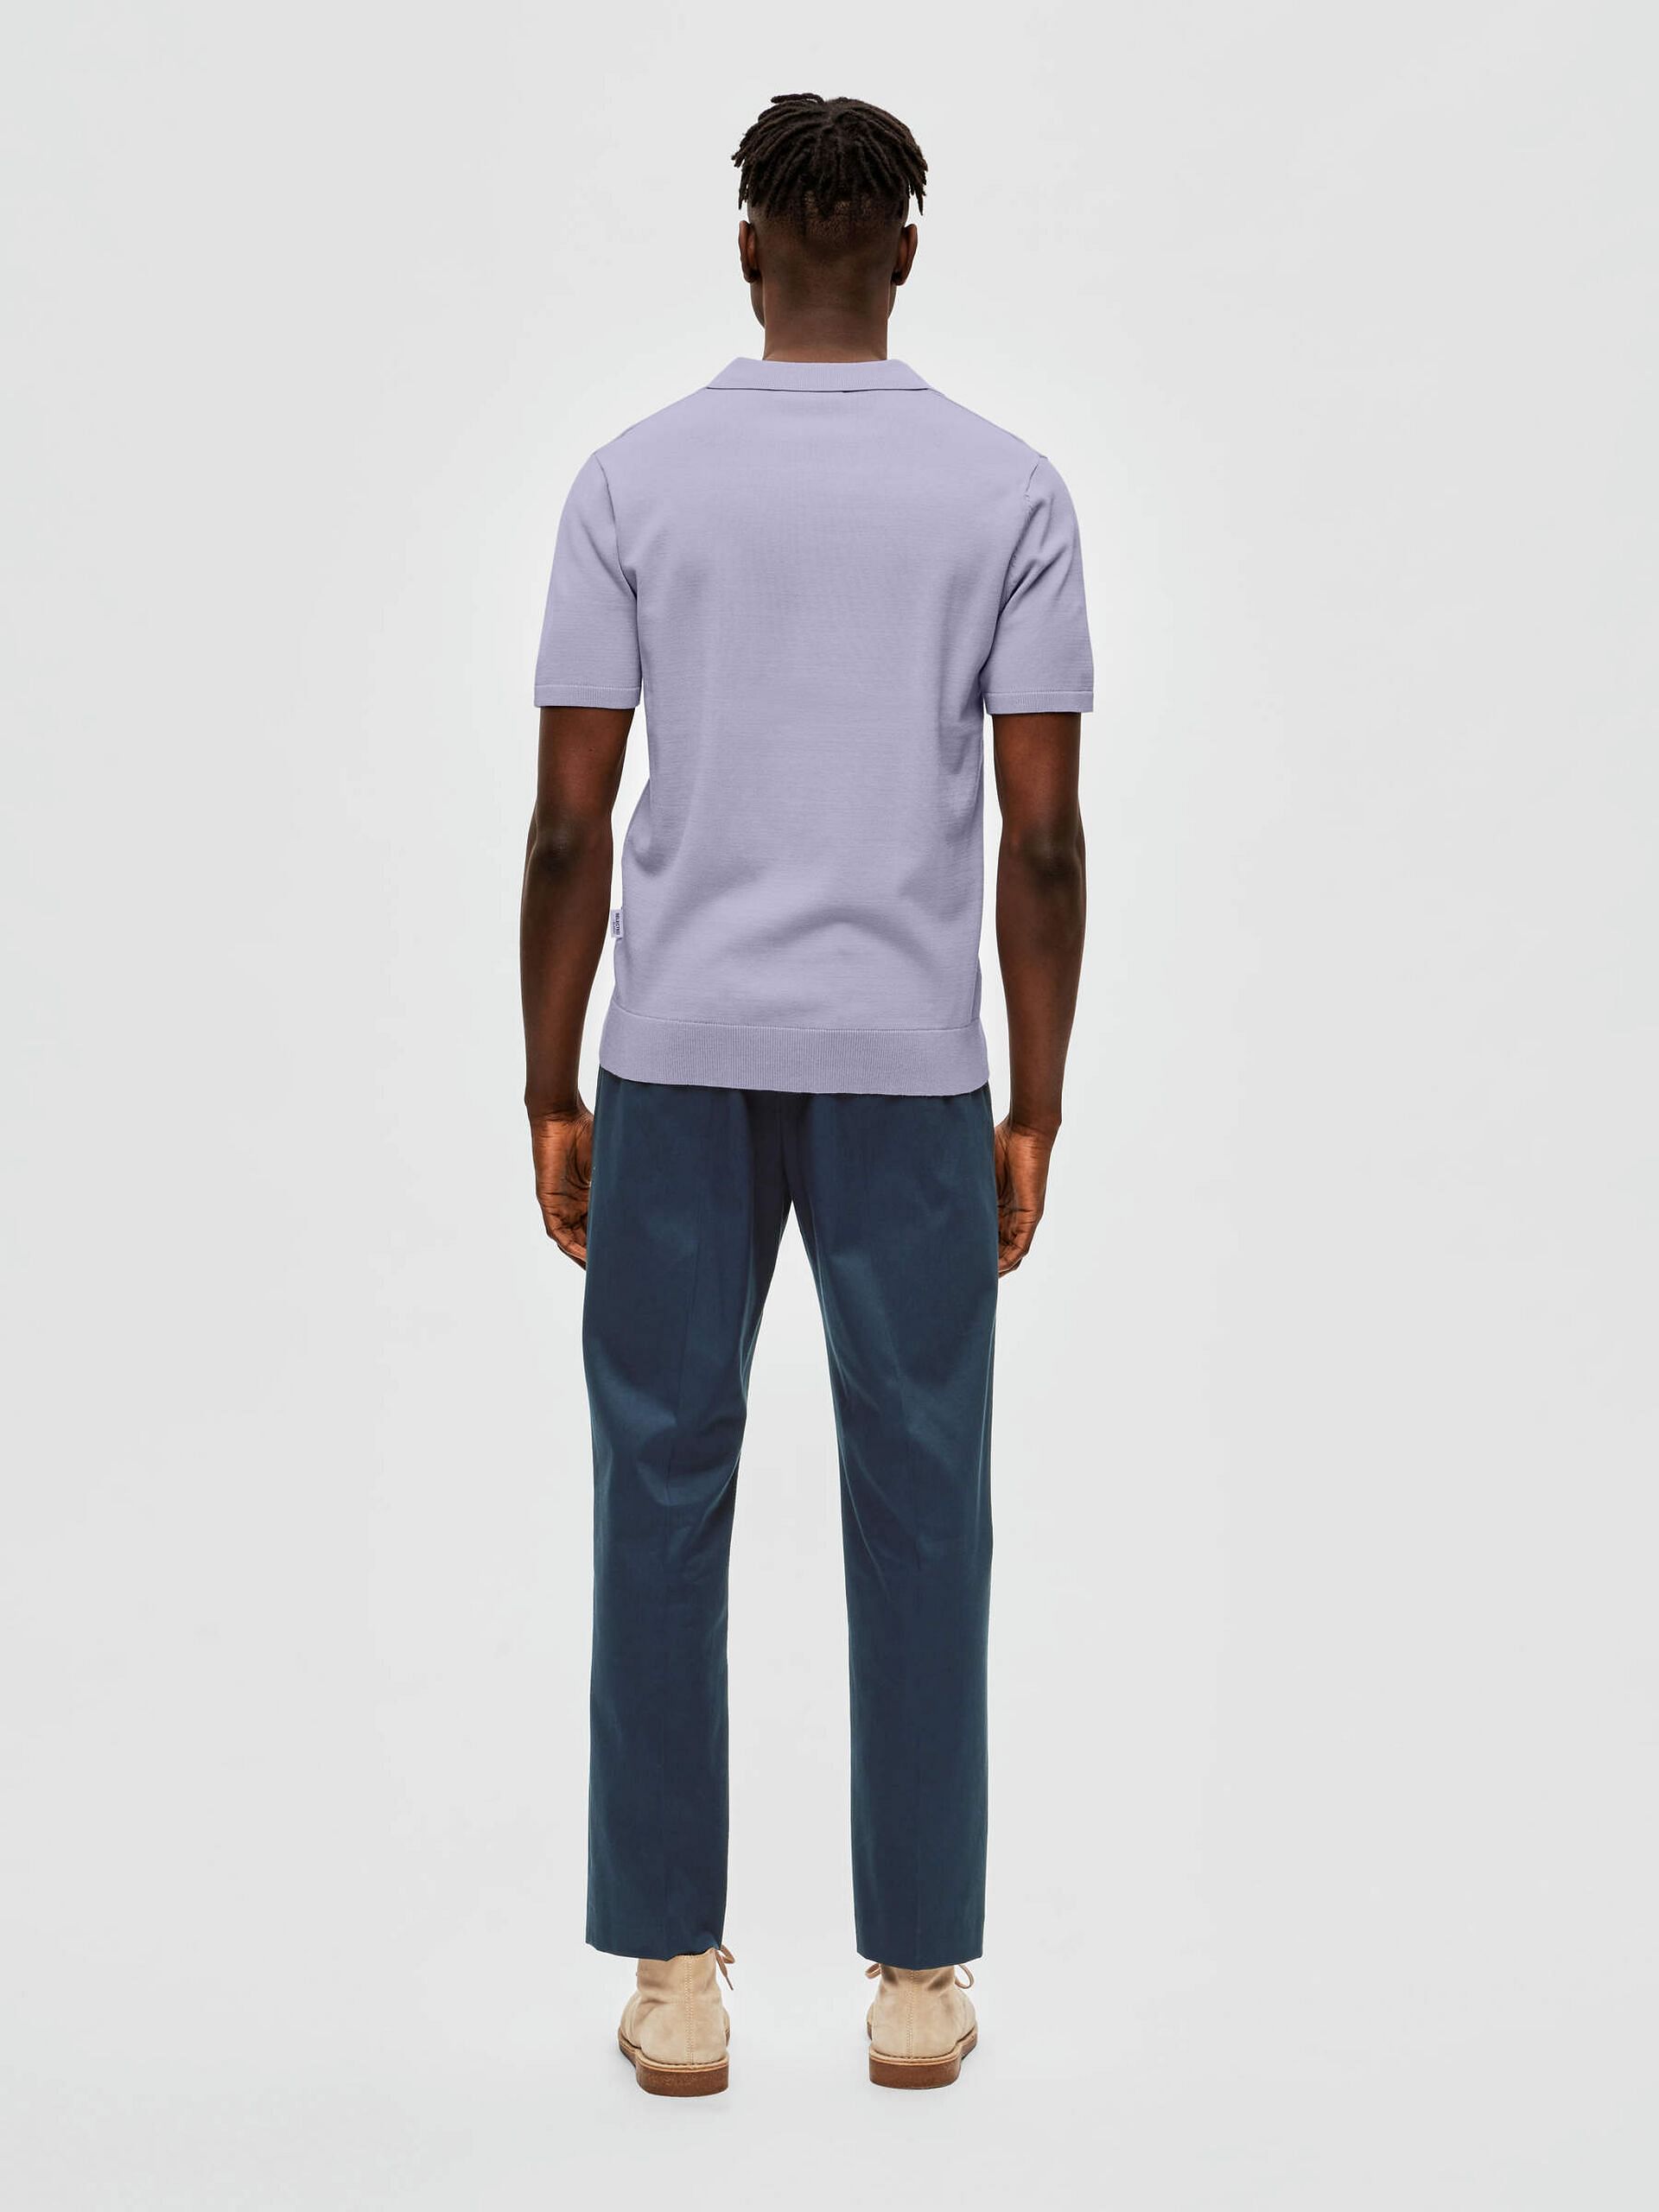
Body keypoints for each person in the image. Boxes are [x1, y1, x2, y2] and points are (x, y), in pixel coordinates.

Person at [521, 91, 1091, 2096]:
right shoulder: (1007, 491)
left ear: (749, 249)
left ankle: (675, 1973)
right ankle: (920, 1975)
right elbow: (1042, 838)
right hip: (908, 1066)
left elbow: (568, 817)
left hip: (675, 1054)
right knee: (926, 1502)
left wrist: (546, 1081)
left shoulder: (634, 481)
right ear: (905, 252)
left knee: (655, 1491)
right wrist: (1035, 1102)